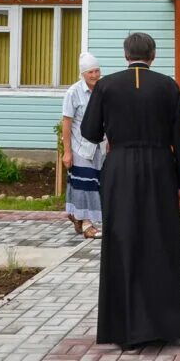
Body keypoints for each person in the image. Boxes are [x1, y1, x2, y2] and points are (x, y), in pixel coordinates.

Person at [81, 32, 180, 349]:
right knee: (163, 240)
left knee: (123, 239)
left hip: (120, 169)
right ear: (153, 55)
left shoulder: (106, 85)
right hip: (160, 167)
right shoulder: (167, 85)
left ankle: (126, 326)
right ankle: (167, 322)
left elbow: (89, 132)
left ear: (125, 54)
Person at [62, 52, 104, 239]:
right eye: (90, 72)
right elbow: (67, 123)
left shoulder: (103, 89)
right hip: (80, 147)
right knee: (84, 185)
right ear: (82, 74)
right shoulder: (73, 92)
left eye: (97, 71)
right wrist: (67, 152)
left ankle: (78, 217)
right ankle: (86, 223)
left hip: (100, 146)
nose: (94, 75)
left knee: (96, 183)